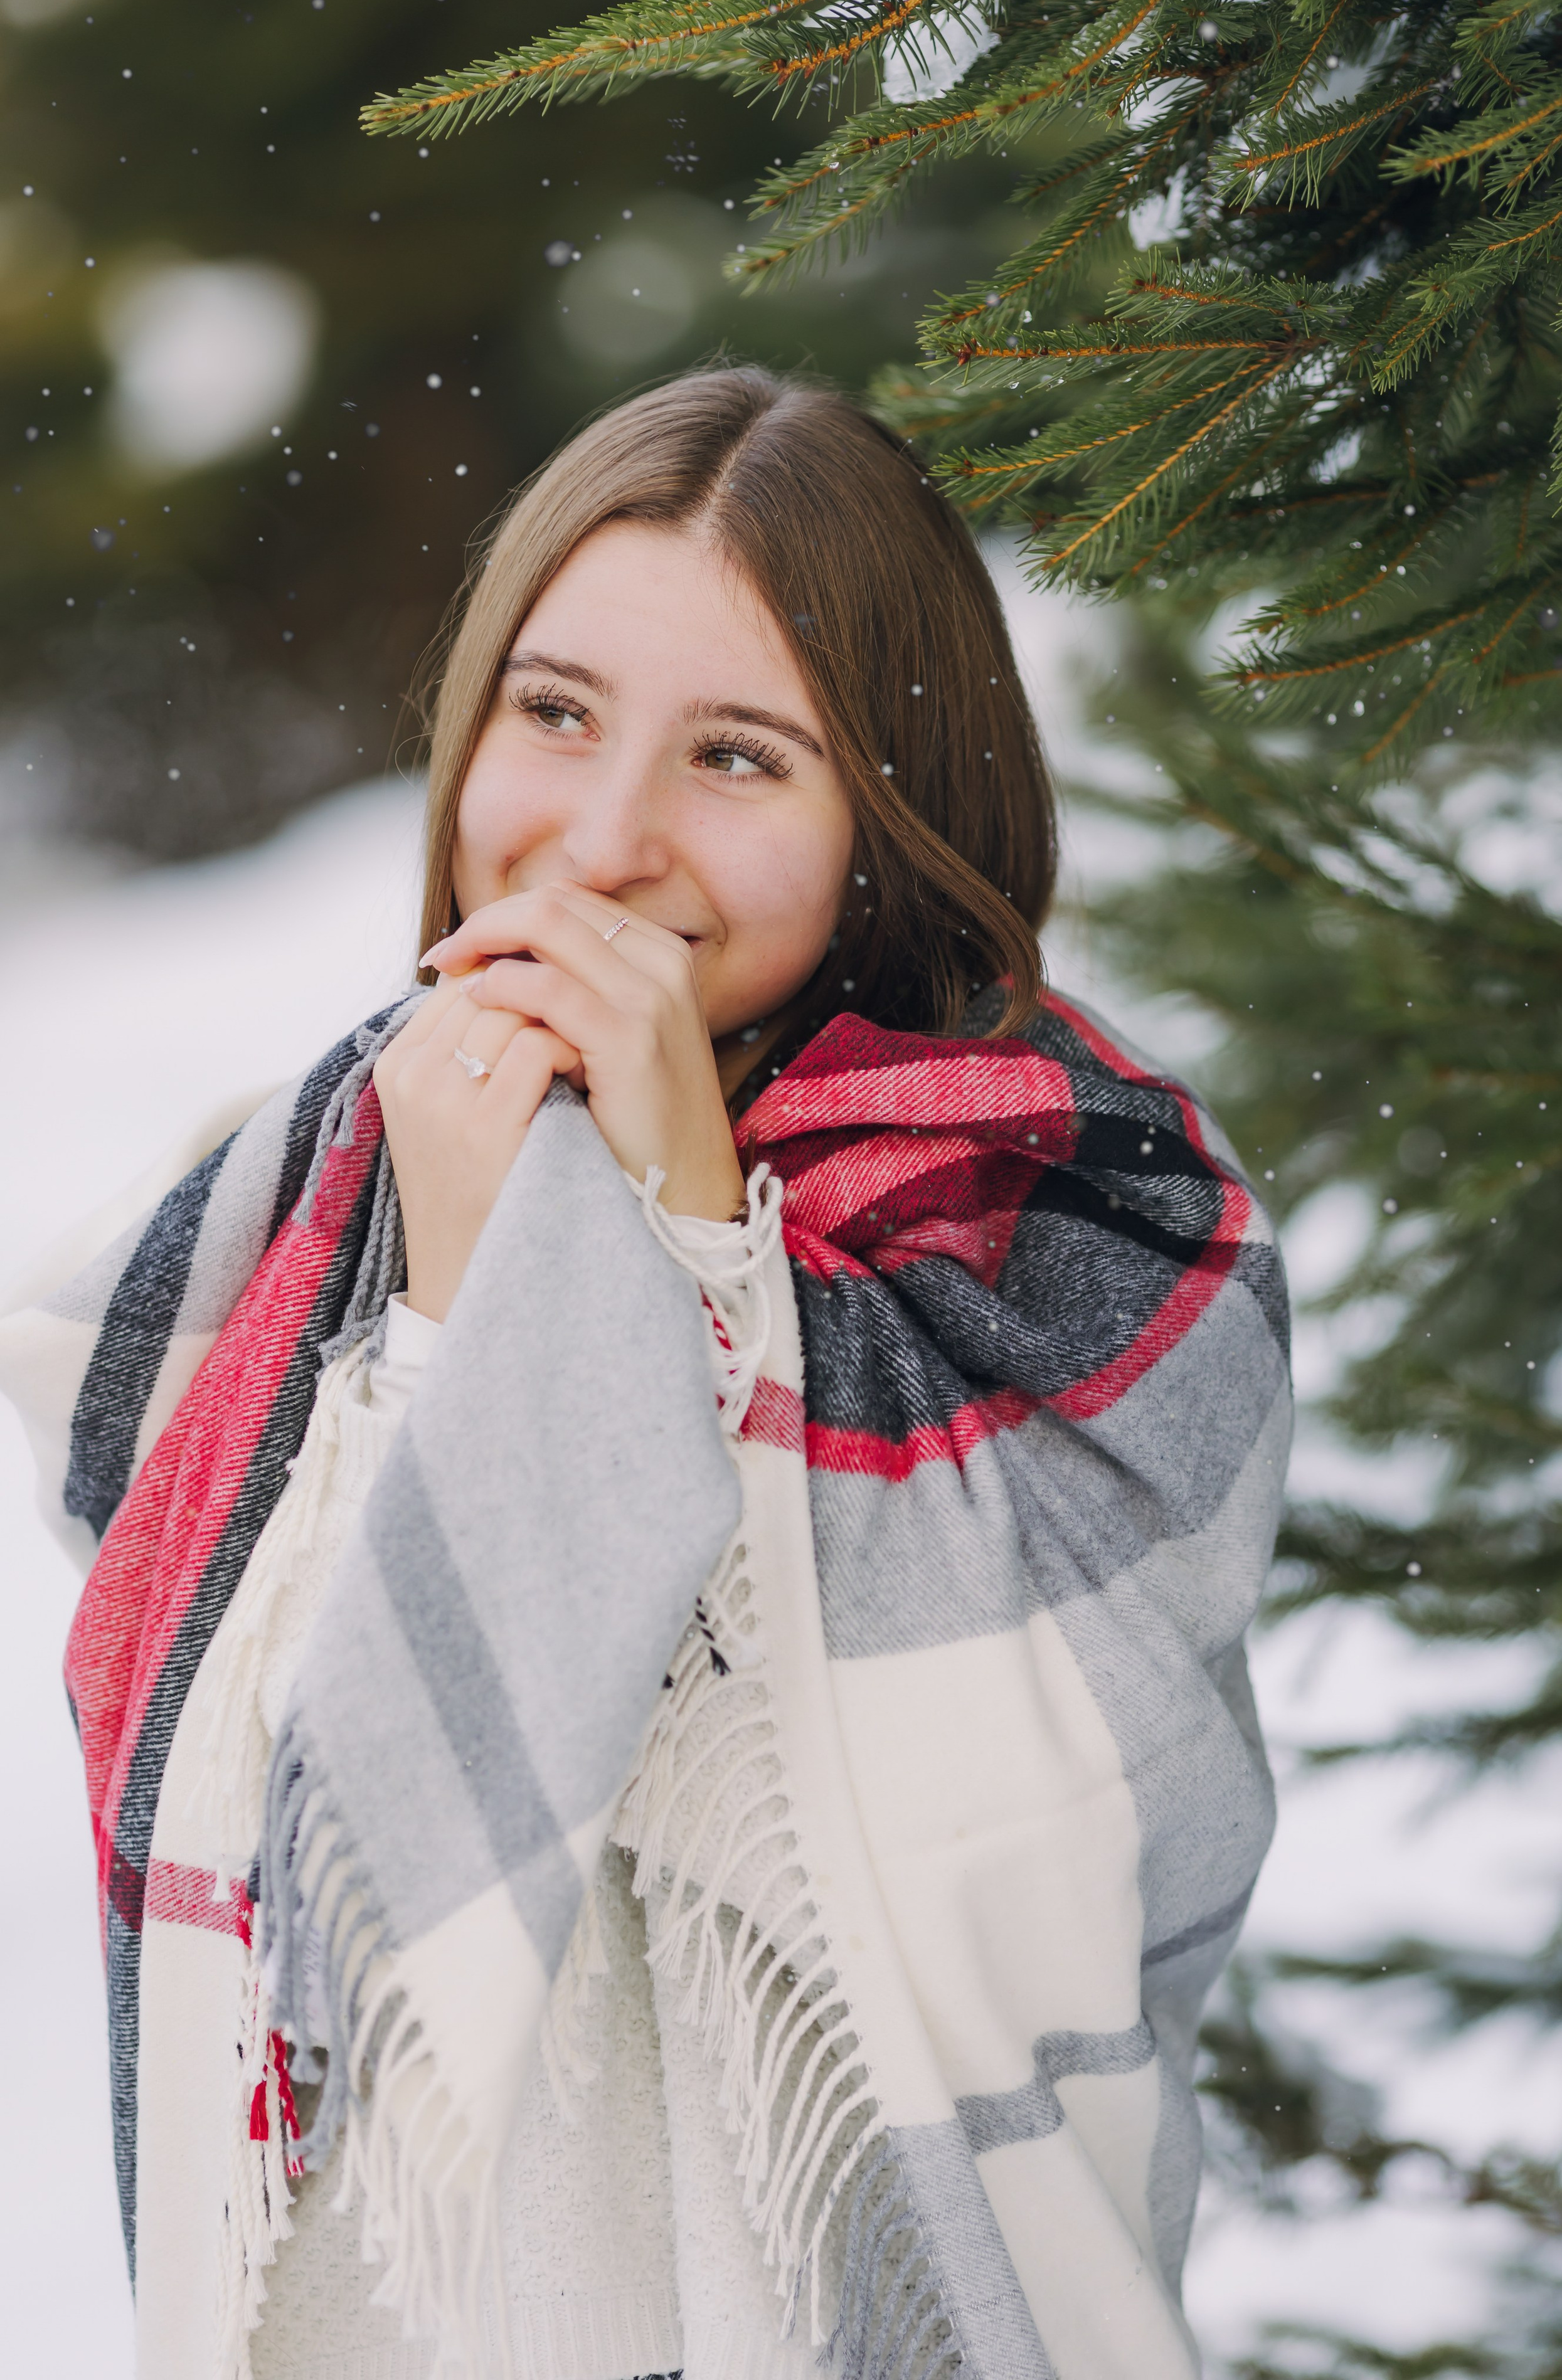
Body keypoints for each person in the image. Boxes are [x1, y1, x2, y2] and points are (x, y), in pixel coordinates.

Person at [0, 368, 1291, 2380]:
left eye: (739, 758)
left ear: (895, 811)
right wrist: (444, 1294)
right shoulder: (308, 1195)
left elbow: (993, 1845)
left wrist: (693, 1254)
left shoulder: (1070, 1223)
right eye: (558, 711)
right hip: (432, 2298)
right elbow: (310, 1837)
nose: (601, 845)